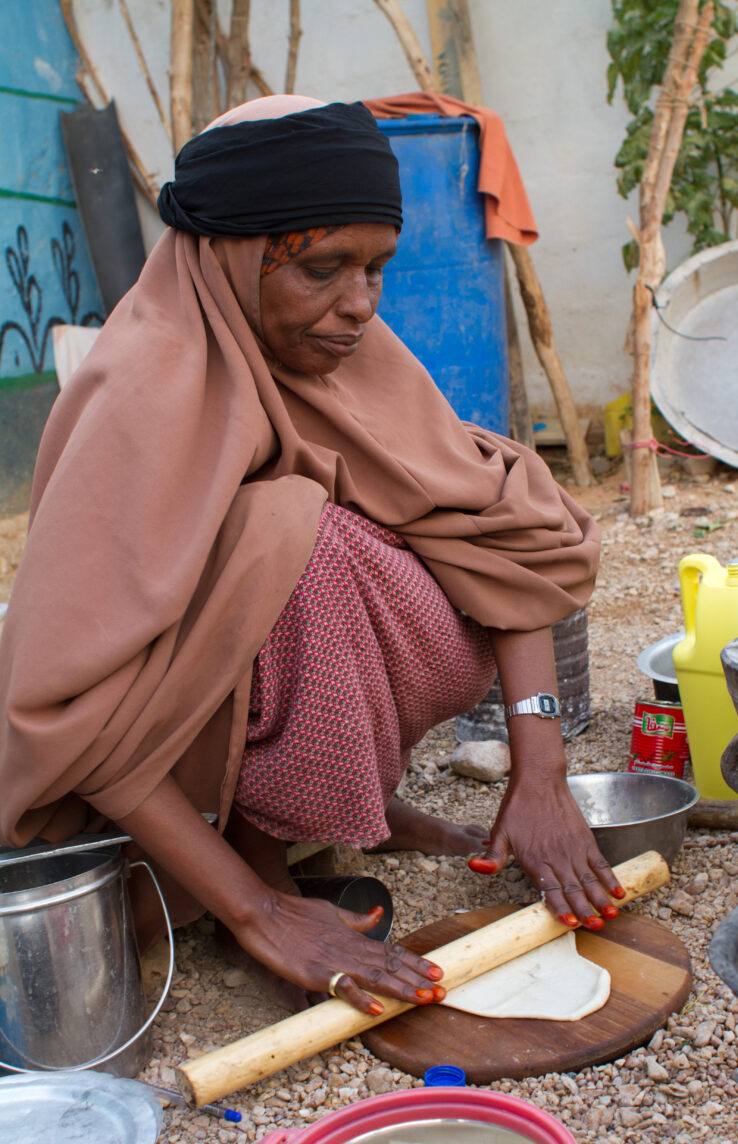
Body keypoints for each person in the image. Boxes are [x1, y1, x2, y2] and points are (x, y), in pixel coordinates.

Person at [0, 95, 622, 1016]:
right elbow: (75, 709)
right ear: (234, 254)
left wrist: (540, 770)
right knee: (294, 532)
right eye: (325, 269)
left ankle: (321, 816)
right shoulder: (150, 387)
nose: (360, 306)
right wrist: (257, 912)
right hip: (150, 751)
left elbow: (510, 536)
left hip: (237, 691)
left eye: (377, 269)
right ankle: (261, 854)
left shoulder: (341, 351)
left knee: (384, 542)